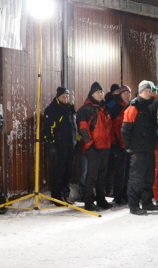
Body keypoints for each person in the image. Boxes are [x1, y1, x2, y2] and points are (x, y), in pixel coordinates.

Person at [122, 80, 158, 215]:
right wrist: (129, 147)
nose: (149, 94)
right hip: (137, 149)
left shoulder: (150, 106)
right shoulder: (133, 107)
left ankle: (147, 202)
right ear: (141, 92)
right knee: (136, 178)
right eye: (147, 91)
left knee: (148, 177)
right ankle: (133, 206)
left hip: (149, 148)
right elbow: (125, 129)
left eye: (150, 91)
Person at [76, 82, 113, 211]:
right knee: (92, 176)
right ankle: (88, 202)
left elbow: (107, 128)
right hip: (93, 148)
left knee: (101, 175)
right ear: (92, 94)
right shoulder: (86, 109)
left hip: (104, 147)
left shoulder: (102, 108)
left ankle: (101, 200)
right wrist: (89, 144)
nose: (101, 94)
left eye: (101, 92)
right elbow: (83, 129)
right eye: (98, 92)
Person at [43, 87, 77, 204]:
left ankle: (65, 194)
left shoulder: (70, 109)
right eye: (63, 97)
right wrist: (51, 143)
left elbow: (74, 126)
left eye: (67, 97)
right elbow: (47, 128)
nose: (66, 99)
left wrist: (76, 140)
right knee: (59, 171)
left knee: (69, 170)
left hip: (70, 145)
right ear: (58, 97)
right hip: (59, 145)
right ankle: (56, 196)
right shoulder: (52, 110)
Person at [105, 84, 131, 205]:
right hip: (119, 145)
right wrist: (114, 143)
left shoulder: (130, 107)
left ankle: (125, 194)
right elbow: (110, 127)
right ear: (120, 95)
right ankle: (118, 196)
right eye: (125, 93)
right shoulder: (115, 108)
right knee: (120, 172)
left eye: (129, 94)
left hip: (129, 145)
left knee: (128, 171)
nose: (127, 96)